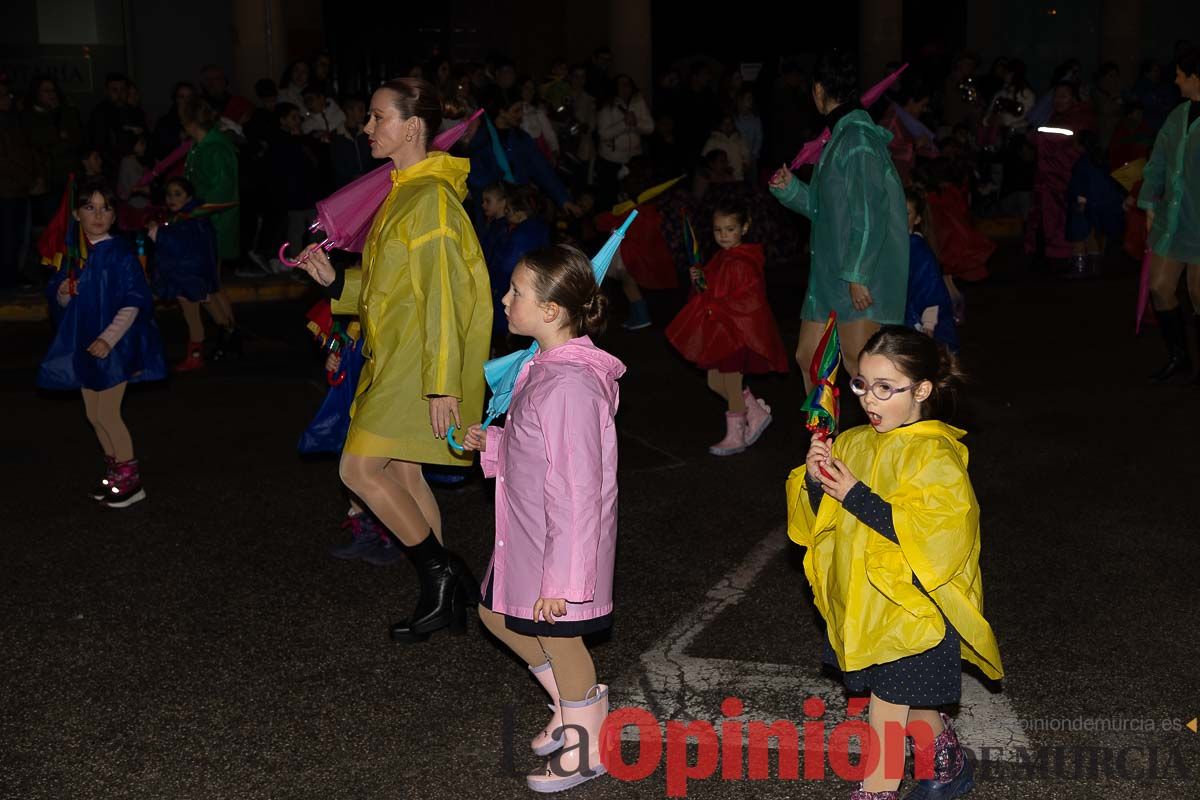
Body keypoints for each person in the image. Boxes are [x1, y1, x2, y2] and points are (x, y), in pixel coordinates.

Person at [294, 78, 490, 642]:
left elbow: (445, 299)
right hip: (397, 355)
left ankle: (443, 574)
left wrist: (442, 385)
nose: (367, 127)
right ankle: (443, 598)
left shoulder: (428, 199)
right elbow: (392, 286)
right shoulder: (405, 190)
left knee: (357, 469)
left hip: (417, 364)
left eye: (377, 117)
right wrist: (337, 283)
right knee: (404, 472)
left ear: (412, 127)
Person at [786, 326, 1002, 800]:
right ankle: (945, 760)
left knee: (885, 706)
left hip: (915, 609)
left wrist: (855, 495)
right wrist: (817, 479)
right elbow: (818, 519)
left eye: (886, 388)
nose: (869, 399)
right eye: (861, 384)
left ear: (922, 390)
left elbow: (938, 534)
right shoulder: (856, 441)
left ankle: (877, 788)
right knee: (909, 698)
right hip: (870, 605)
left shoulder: (935, 452)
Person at [460, 244, 623, 793]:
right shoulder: (544, 366)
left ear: (552, 311)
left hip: (560, 547)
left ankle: (586, 748)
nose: (504, 300)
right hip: (530, 534)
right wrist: (495, 442)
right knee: (495, 615)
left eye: (516, 293)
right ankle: (573, 708)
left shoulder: (570, 385)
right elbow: (540, 449)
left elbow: (581, 492)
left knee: (561, 643)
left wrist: (564, 580)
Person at [769, 50, 909, 391]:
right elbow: (826, 213)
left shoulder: (857, 139)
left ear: (818, 90)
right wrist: (790, 190)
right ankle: (824, 444)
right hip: (830, 276)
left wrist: (859, 274)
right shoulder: (841, 137)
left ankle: (893, 441)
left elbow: (869, 212)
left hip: (859, 277)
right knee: (809, 359)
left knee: (861, 368)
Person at [37, 179, 166, 508]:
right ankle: (114, 471)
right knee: (93, 414)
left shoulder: (119, 254)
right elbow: (62, 302)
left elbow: (134, 301)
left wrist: (109, 339)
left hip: (114, 346)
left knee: (108, 413)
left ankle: (131, 481)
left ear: (113, 216)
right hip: (85, 344)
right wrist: (65, 293)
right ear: (77, 215)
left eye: (105, 208)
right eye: (89, 208)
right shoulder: (75, 255)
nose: (97, 215)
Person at [666, 201, 788, 455]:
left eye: (730, 229)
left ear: (744, 228)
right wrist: (699, 280)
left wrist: (718, 305)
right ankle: (754, 411)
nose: (723, 235)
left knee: (731, 383)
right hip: (721, 332)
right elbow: (709, 289)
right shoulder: (723, 257)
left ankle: (736, 436)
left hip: (737, 333)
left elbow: (750, 299)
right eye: (718, 230)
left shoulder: (743, 261)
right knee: (714, 381)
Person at [1138, 46, 1200, 383]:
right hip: (1171, 220)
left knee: (1199, 295)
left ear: (1195, 77)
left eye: (1179, 74)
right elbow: (1158, 158)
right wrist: (1149, 202)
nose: (1175, 80)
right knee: (1160, 286)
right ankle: (1179, 357)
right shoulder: (1179, 114)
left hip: (1199, 222)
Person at [148, 176, 237, 371]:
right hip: (194, 275)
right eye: (169, 194)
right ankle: (228, 339)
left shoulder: (189, 219)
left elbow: (179, 246)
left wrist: (156, 233)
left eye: (178, 194)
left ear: (189, 197)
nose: (172, 198)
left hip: (187, 277)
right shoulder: (190, 217)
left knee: (193, 318)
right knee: (212, 311)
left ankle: (196, 356)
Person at [904, 188, 959, 351]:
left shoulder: (917, 248)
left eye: (906, 212)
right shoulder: (894, 246)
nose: (899, 216)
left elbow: (930, 288)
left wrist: (928, 323)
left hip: (918, 323)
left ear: (917, 219)